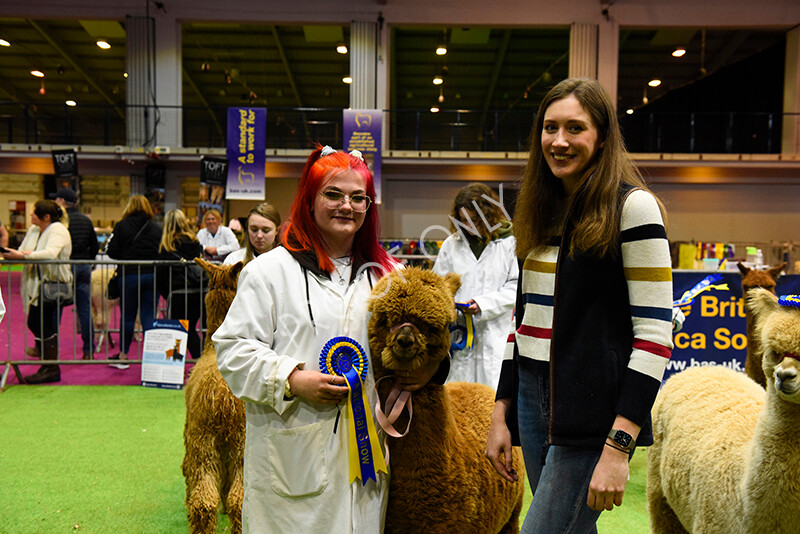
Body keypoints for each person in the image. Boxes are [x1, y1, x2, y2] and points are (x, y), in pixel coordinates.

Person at [213, 146, 443, 533]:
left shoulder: (390, 274)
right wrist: (290, 378)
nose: (346, 206)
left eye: (358, 198)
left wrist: (431, 368)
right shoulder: (269, 272)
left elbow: (430, 332)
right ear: (310, 198)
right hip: (292, 453)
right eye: (333, 194)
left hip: (366, 459)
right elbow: (233, 350)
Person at [484, 78, 674, 533]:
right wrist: (500, 411)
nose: (560, 141)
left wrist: (619, 444)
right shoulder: (539, 210)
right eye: (550, 128)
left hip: (593, 414)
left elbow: (654, 338)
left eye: (575, 128)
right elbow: (523, 323)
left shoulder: (634, 207)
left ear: (602, 137)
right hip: (531, 400)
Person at [432, 183, 518, 388]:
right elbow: (438, 287)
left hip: (494, 338)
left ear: (488, 216)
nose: (468, 225)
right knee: (459, 401)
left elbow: (515, 287)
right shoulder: (451, 245)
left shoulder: (509, 244)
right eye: (463, 220)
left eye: (474, 220)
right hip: (459, 340)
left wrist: (483, 304)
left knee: (492, 401)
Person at [1, 200, 73, 384]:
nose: (31, 215)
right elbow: (24, 250)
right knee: (38, 321)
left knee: (39, 321)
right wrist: (9, 253)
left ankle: (50, 366)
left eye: (34, 213)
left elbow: (50, 253)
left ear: (46, 216)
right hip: (37, 284)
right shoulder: (35, 230)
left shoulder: (58, 230)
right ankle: (47, 361)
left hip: (52, 283)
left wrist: (24, 256)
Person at [105, 195, 162, 369]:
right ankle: (152, 358)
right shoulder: (156, 227)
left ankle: (123, 355)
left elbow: (112, 251)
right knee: (149, 317)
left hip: (129, 275)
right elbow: (161, 250)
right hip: (152, 276)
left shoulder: (122, 226)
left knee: (128, 317)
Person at [55, 188, 99, 360]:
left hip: (65, 267)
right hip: (83, 266)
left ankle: (52, 352)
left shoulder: (59, 222)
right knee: (85, 310)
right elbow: (94, 246)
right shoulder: (85, 221)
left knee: (56, 307)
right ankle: (89, 350)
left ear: (62, 201)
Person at [156, 209, 205, 359]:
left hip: (177, 292)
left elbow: (161, 274)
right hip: (198, 291)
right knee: (191, 329)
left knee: (179, 330)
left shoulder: (166, 246)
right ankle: (200, 360)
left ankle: (179, 366)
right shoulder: (195, 242)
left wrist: (166, 293)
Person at [223, 202, 282, 266]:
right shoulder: (234, 259)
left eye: (265, 231)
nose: (259, 235)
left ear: (277, 230)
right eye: (254, 230)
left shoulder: (285, 260)